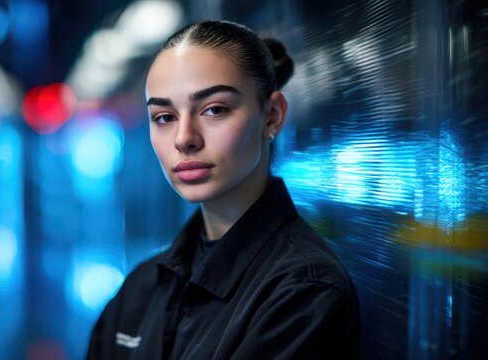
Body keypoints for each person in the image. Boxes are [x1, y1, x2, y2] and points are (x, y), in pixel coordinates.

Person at [87, 20, 360, 359]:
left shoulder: (304, 293)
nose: (184, 138)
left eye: (214, 109)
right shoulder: (142, 286)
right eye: (164, 116)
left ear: (272, 115)